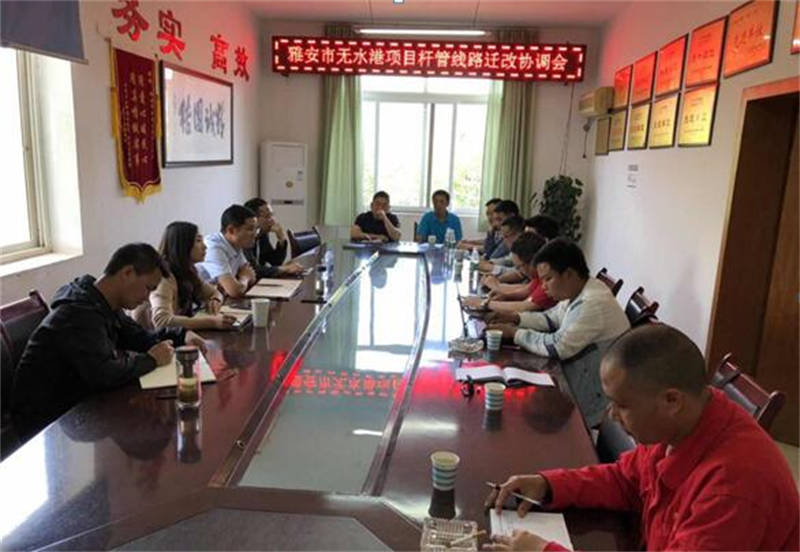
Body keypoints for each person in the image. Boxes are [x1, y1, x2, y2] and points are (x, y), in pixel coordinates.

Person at [485, 324, 800, 552]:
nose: (611, 414)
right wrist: (548, 485)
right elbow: (626, 480)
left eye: (622, 405)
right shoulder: (682, 421)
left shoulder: (735, 485)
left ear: (672, 401)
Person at [11, 243, 207, 442]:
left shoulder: (102, 302)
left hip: (80, 405)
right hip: (47, 424)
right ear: (127, 273)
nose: (147, 299)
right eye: (148, 288)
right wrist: (151, 360)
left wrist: (182, 335)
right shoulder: (78, 313)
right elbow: (104, 373)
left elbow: (139, 337)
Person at [488, 239, 629, 426]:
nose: (543, 287)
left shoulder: (592, 303)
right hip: (573, 379)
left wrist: (515, 334)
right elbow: (550, 318)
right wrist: (515, 318)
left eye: (548, 279)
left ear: (569, 274)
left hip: (589, 400)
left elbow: (558, 347)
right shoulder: (580, 291)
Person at [147, 221, 236, 330]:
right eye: (198, 241)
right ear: (182, 245)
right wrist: (211, 322)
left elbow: (214, 293)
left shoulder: (188, 271)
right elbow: (161, 321)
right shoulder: (163, 277)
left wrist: (215, 300)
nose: (205, 246)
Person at [462, 233, 555, 315]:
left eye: (519, 267)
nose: (519, 271)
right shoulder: (538, 277)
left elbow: (525, 307)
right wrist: (504, 294)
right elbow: (524, 290)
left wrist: (485, 303)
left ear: (532, 262)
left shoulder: (548, 280)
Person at [196, 204, 259, 298]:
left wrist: (241, 280)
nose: (255, 234)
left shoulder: (236, 245)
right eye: (250, 229)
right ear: (231, 230)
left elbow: (252, 276)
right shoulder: (214, 248)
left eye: (256, 229)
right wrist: (244, 278)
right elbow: (235, 290)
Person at [243, 198, 304, 278]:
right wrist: (285, 269)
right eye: (268, 216)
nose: (273, 221)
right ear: (254, 219)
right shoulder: (245, 238)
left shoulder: (262, 235)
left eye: (272, 215)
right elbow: (255, 270)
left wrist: (281, 239)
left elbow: (275, 261)